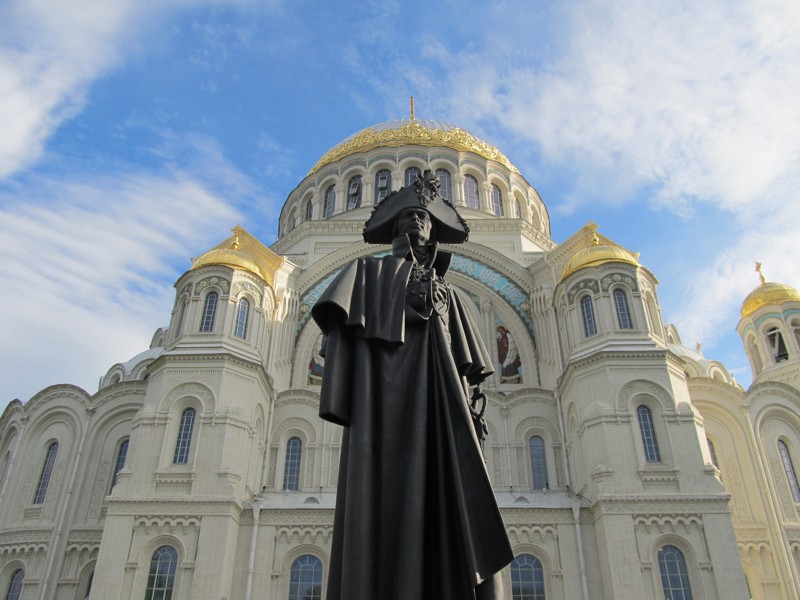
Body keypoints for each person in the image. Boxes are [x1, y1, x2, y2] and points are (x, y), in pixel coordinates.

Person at [311, 169, 513, 600]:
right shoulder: (367, 274)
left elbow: (467, 368)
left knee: (446, 497)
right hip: (383, 406)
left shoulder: (451, 294)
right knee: (381, 497)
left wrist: (470, 411)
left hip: (438, 408)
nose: (417, 223)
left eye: (424, 218)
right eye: (409, 218)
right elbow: (340, 334)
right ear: (396, 228)